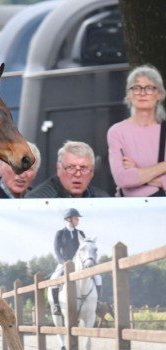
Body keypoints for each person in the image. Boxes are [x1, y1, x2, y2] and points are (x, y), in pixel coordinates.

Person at [107, 64, 166, 197]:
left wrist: (137, 171)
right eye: (136, 88)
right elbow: (122, 179)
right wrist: (163, 167)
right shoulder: (116, 132)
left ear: (159, 94)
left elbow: (131, 178)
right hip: (129, 210)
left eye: (149, 88)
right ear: (129, 94)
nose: (142, 93)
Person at [49, 208, 102, 318]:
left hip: (80, 263)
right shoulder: (60, 233)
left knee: (98, 277)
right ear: (69, 219)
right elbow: (57, 250)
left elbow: (85, 248)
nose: (78, 220)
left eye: (77, 218)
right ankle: (56, 305)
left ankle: (97, 303)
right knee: (54, 279)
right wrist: (64, 263)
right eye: (76, 218)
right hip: (64, 262)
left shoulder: (81, 233)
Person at [26, 141, 109, 198]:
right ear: (59, 168)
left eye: (84, 168)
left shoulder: (103, 200)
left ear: (92, 172)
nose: (78, 174)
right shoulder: (37, 200)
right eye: (71, 168)